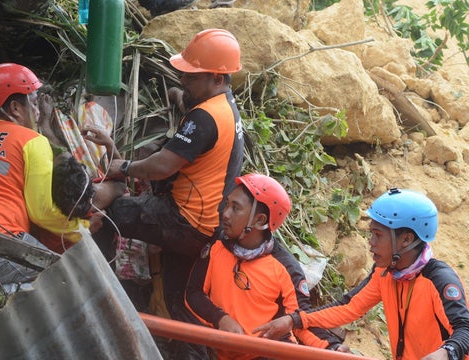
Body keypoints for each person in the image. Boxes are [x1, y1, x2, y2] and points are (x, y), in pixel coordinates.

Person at [84, 28, 245, 358]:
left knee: (114, 215)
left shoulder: (205, 117)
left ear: (217, 76)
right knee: (179, 302)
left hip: (183, 220)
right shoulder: (225, 106)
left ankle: (96, 293)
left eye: (191, 76)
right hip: (204, 224)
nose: (183, 81)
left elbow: (162, 167)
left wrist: (123, 168)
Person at [254, 188, 469, 360]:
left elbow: (465, 329)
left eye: (378, 235)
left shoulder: (439, 280)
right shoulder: (385, 273)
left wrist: (446, 352)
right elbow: (349, 306)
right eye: (371, 234)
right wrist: (294, 320)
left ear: (406, 239)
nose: (371, 244)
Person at [0, 63, 89, 292]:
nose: (38, 111)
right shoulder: (30, 140)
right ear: (14, 108)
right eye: (33, 103)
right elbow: (42, 212)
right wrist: (82, 229)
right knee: (71, 282)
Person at [184, 173, 345, 359]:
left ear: (259, 220)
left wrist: (332, 348)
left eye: (235, 208)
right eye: (227, 204)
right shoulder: (216, 246)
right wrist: (220, 318)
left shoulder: (285, 268)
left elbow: (302, 320)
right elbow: (194, 292)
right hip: (220, 352)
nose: (225, 213)